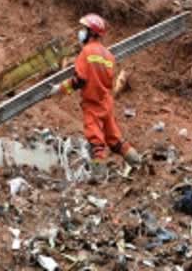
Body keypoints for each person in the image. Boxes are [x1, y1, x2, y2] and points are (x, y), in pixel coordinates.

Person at [50, 14, 142, 180]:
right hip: (106, 102)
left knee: (96, 142)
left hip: (92, 103)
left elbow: (80, 80)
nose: (81, 33)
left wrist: (61, 88)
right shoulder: (109, 56)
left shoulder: (87, 52)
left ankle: (98, 176)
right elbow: (108, 81)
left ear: (91, 32)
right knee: (114, 140)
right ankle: (136, 160)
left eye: (84, 30)